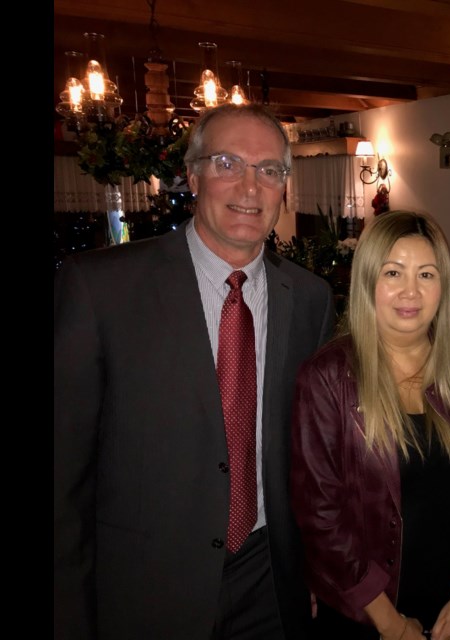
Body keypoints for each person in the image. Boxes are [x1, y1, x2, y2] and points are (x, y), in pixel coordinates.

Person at [54, 103, 336, 640]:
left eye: (269, 170)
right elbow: (62, 475)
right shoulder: (101, 289)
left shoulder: (309, 299)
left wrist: (316, 568)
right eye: (228, 163)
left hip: (269, 583)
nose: (250, 187)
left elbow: (307, 455)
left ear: (284, 188)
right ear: (192, 174)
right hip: (142, 589)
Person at [290, 210, 450, 640]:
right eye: (393, 272)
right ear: (368, 280)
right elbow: (321, 517)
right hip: (365, 613)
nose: (411, 291)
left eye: (426, 274)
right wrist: (390, 625)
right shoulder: (327, 378)